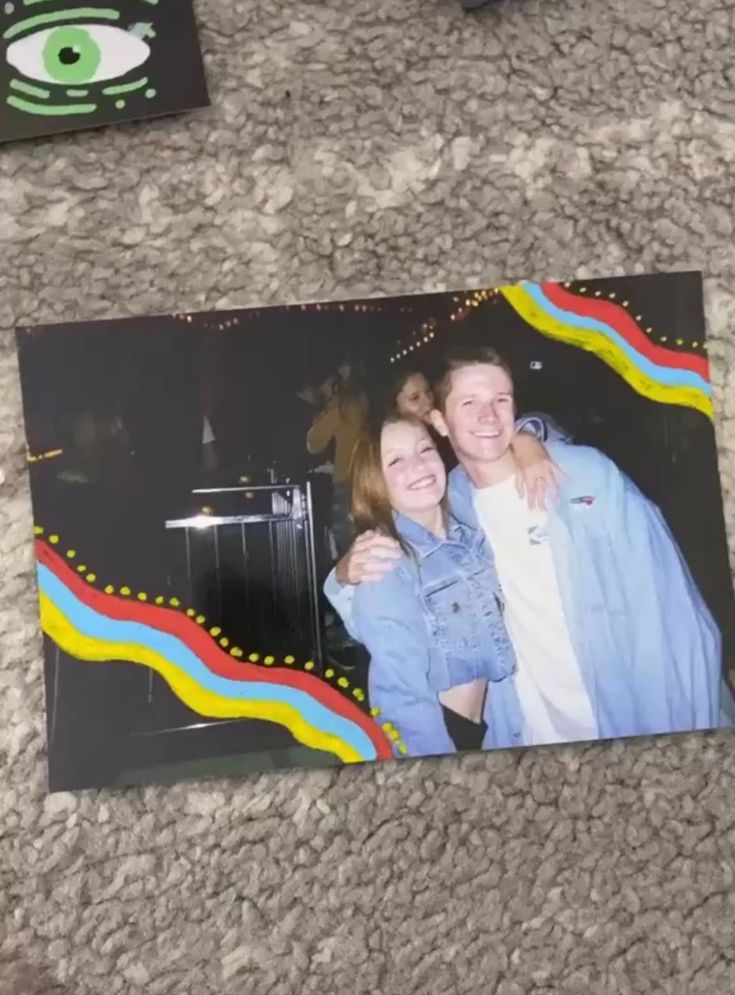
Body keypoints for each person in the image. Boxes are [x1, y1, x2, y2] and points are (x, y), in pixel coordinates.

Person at [327, 345, 726, 749]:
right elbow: (398, 614)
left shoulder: (584, 477)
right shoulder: (453, 506)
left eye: (501, 400)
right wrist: (343, 577)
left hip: (626, 718)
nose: (489, 415)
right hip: (525, 732)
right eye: (470, 402)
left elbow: (679, 616)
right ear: (439, 422)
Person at [338, 412, 522, 755]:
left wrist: (529, 445)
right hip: (438, 733)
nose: (418, 465)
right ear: (374, 481)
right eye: (395, 460)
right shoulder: (386, 563)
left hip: (494, 724)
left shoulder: (465, 519)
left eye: (425, 449)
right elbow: (401, 697)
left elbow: (502, 442)